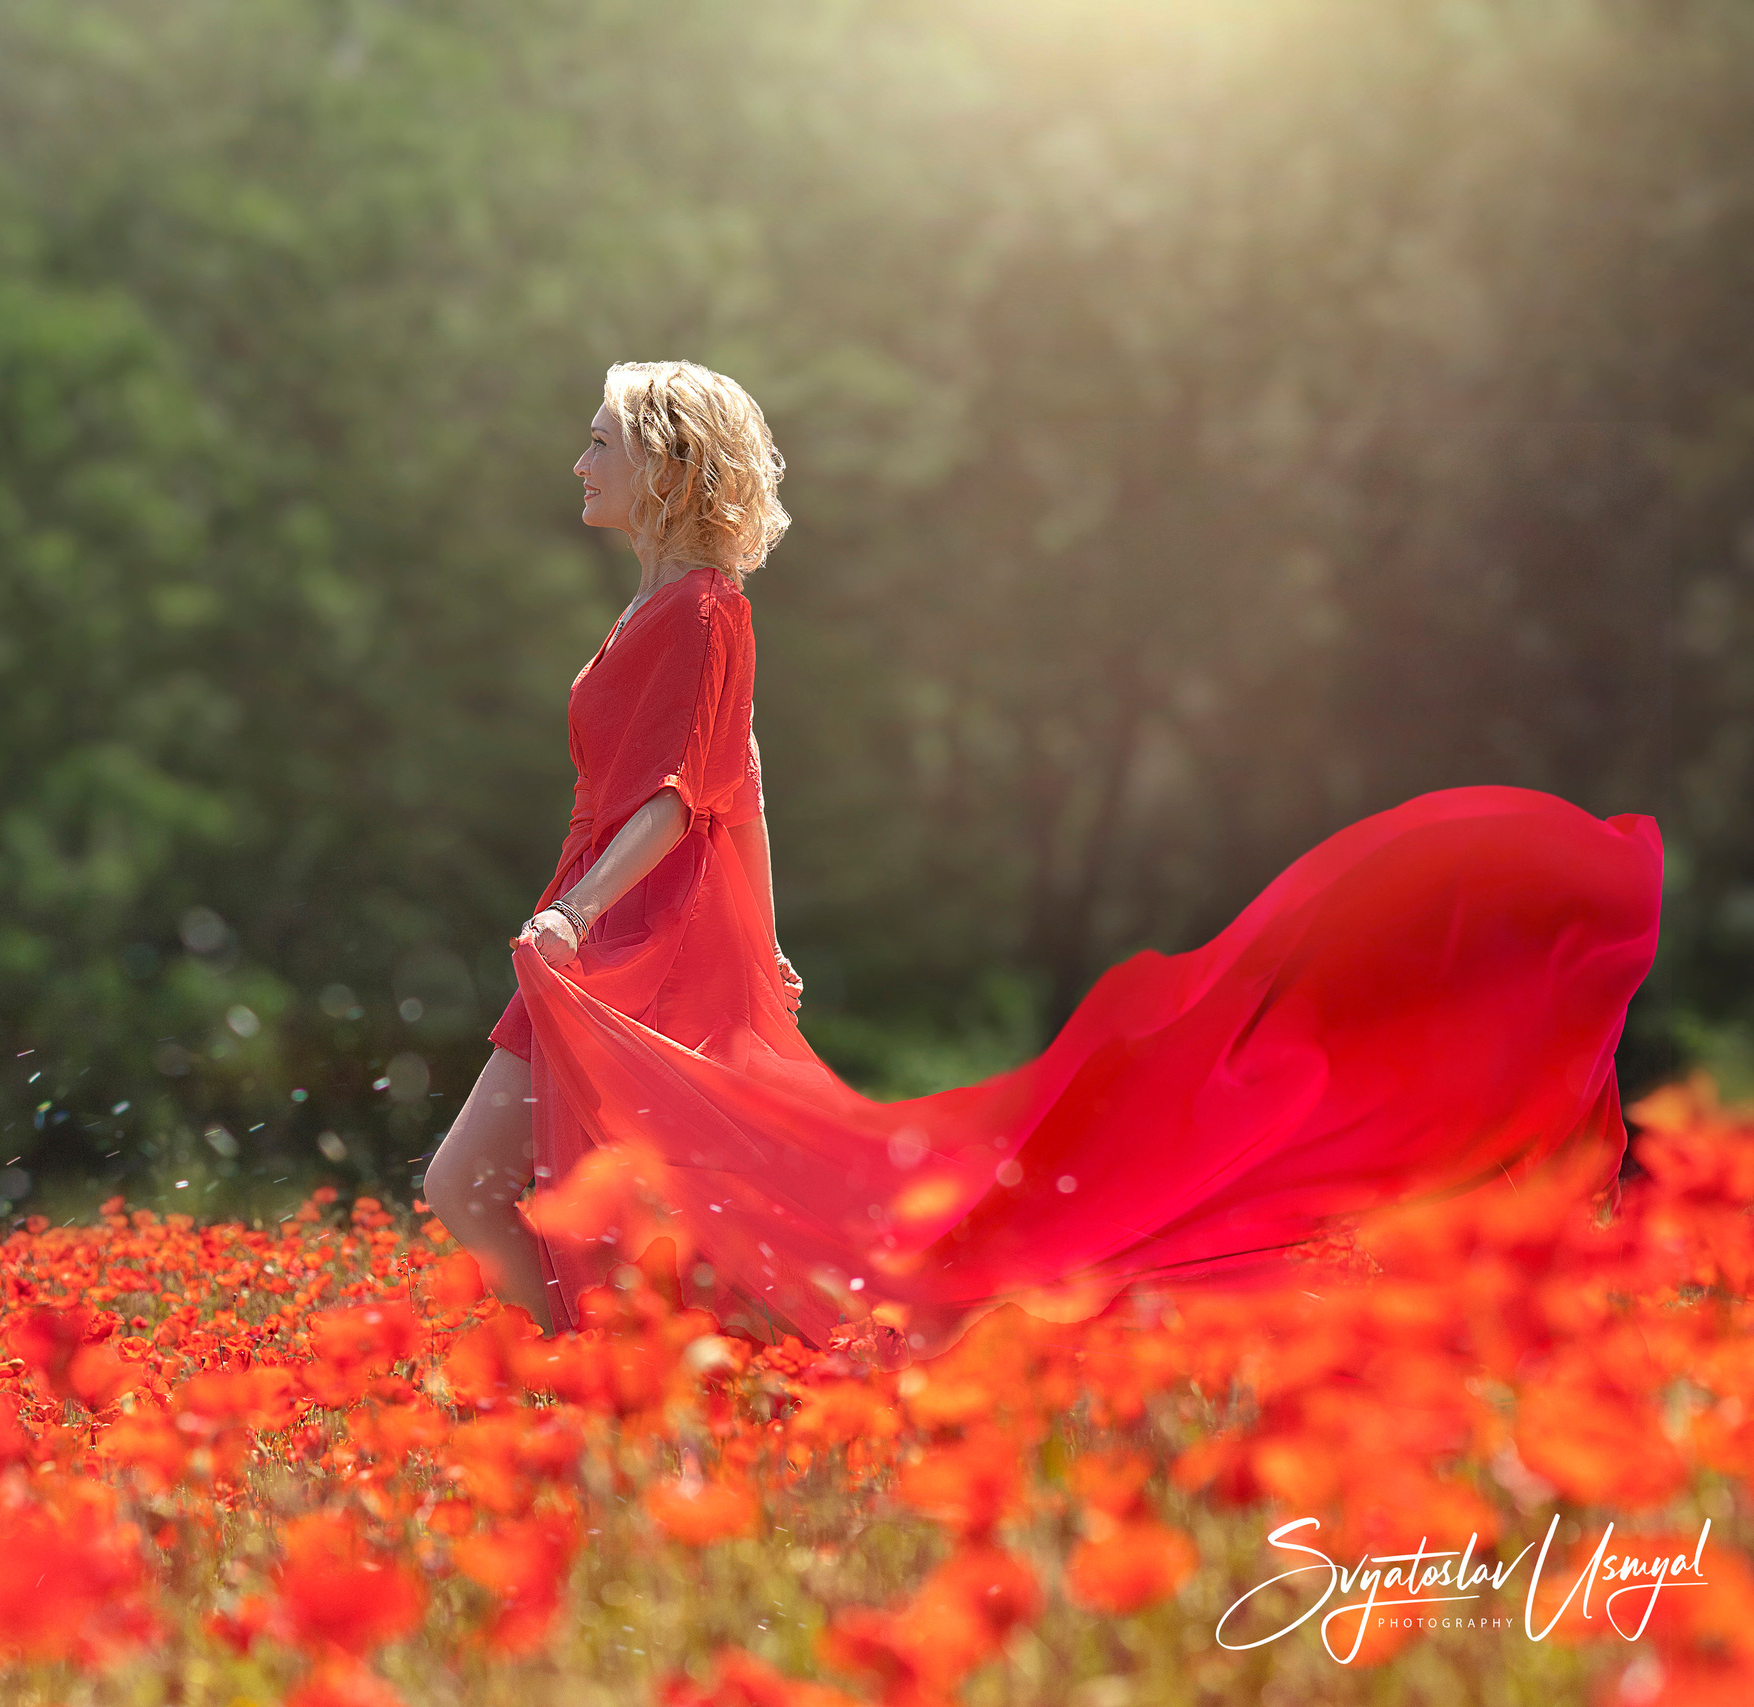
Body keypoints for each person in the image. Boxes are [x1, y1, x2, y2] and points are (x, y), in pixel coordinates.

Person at [423, 360, 1663, 1356]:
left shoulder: (701, 607)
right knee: (622, 1191)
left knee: (491, 1183)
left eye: (599, 441)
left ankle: (601, 1403)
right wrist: (761, 930)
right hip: (616, 915)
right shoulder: (658, 607)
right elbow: (743, 782)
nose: (578, 463)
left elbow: (682, 798)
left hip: (630, 924)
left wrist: (580, 916)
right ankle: (655, 1394)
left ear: (664, 463)